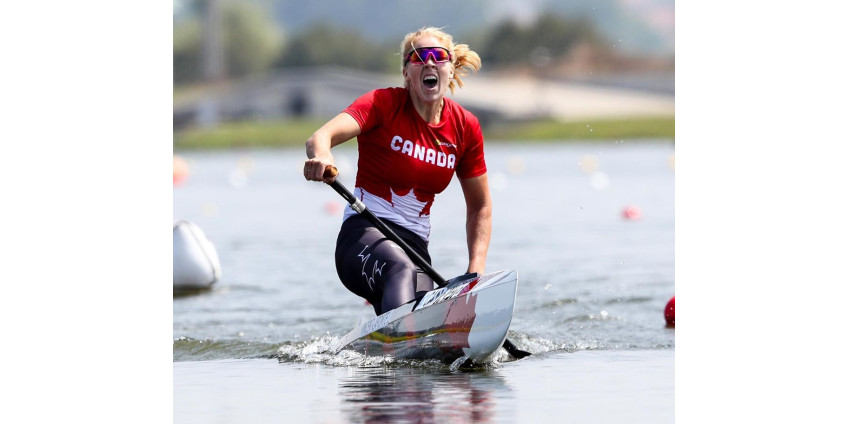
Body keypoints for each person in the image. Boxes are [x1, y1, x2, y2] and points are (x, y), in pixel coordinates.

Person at [303, 27, 491, 316]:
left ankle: (393, 346)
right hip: (363, 233)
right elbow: (320, 138)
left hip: (416, 248)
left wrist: (473, 274)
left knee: (430, 308)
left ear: (451, 69)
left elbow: (480, 207)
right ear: (406, 73)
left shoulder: (465, 127)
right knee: (399, 268)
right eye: (418, 57)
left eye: (438, 56)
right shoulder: (382, 104)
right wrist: (323, 158)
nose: (429, 63)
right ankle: (404, 339)